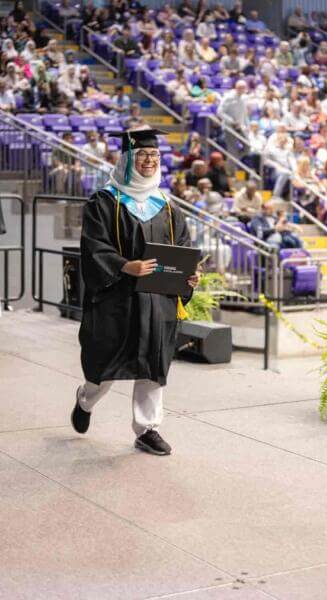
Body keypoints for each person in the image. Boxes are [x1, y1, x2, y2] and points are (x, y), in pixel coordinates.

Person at [72, 128, 200, 456]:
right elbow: (93, 246)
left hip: (157, 298)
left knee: (153, 364)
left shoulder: (166, 205)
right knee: (105, 368)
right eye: (142, 155)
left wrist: (189, 275)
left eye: (154, 156)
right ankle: (85, 400)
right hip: (118, 298)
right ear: (127, 159)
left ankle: (147, 429)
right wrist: (124, 266)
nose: (148, 161)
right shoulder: (105, 201)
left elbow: (183, 247)